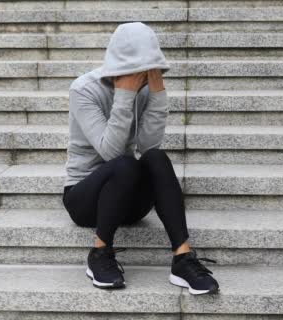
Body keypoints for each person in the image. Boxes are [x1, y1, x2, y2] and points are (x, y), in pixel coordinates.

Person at [61, 21, 219, 295]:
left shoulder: (147, 89)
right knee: (122, 163)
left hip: (129, 200)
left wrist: (157, 94)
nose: (143, 76)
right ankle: (99, 254)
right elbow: (109, 152)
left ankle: (182, 258)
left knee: (156, 158)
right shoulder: (84, 89)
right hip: (84, 199)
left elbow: (147, 147)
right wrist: (124, 94)